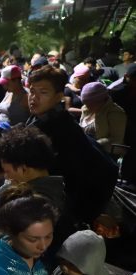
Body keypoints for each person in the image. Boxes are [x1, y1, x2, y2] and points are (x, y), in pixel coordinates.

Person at [26, 65, 117, 225]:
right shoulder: (41, 118)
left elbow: (72, 178)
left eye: (43, 92)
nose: (34, 97)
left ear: (59, 96)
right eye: (32, 91)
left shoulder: (62, 129)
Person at [79, 82, 127, 153]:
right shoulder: (85, 109)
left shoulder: (115, 113)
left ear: (101, 101)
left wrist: (92, 144)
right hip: (85, 149)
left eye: (90, 103)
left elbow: (116, 140)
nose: (87, 106)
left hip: (104, 154)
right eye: (85, 103)